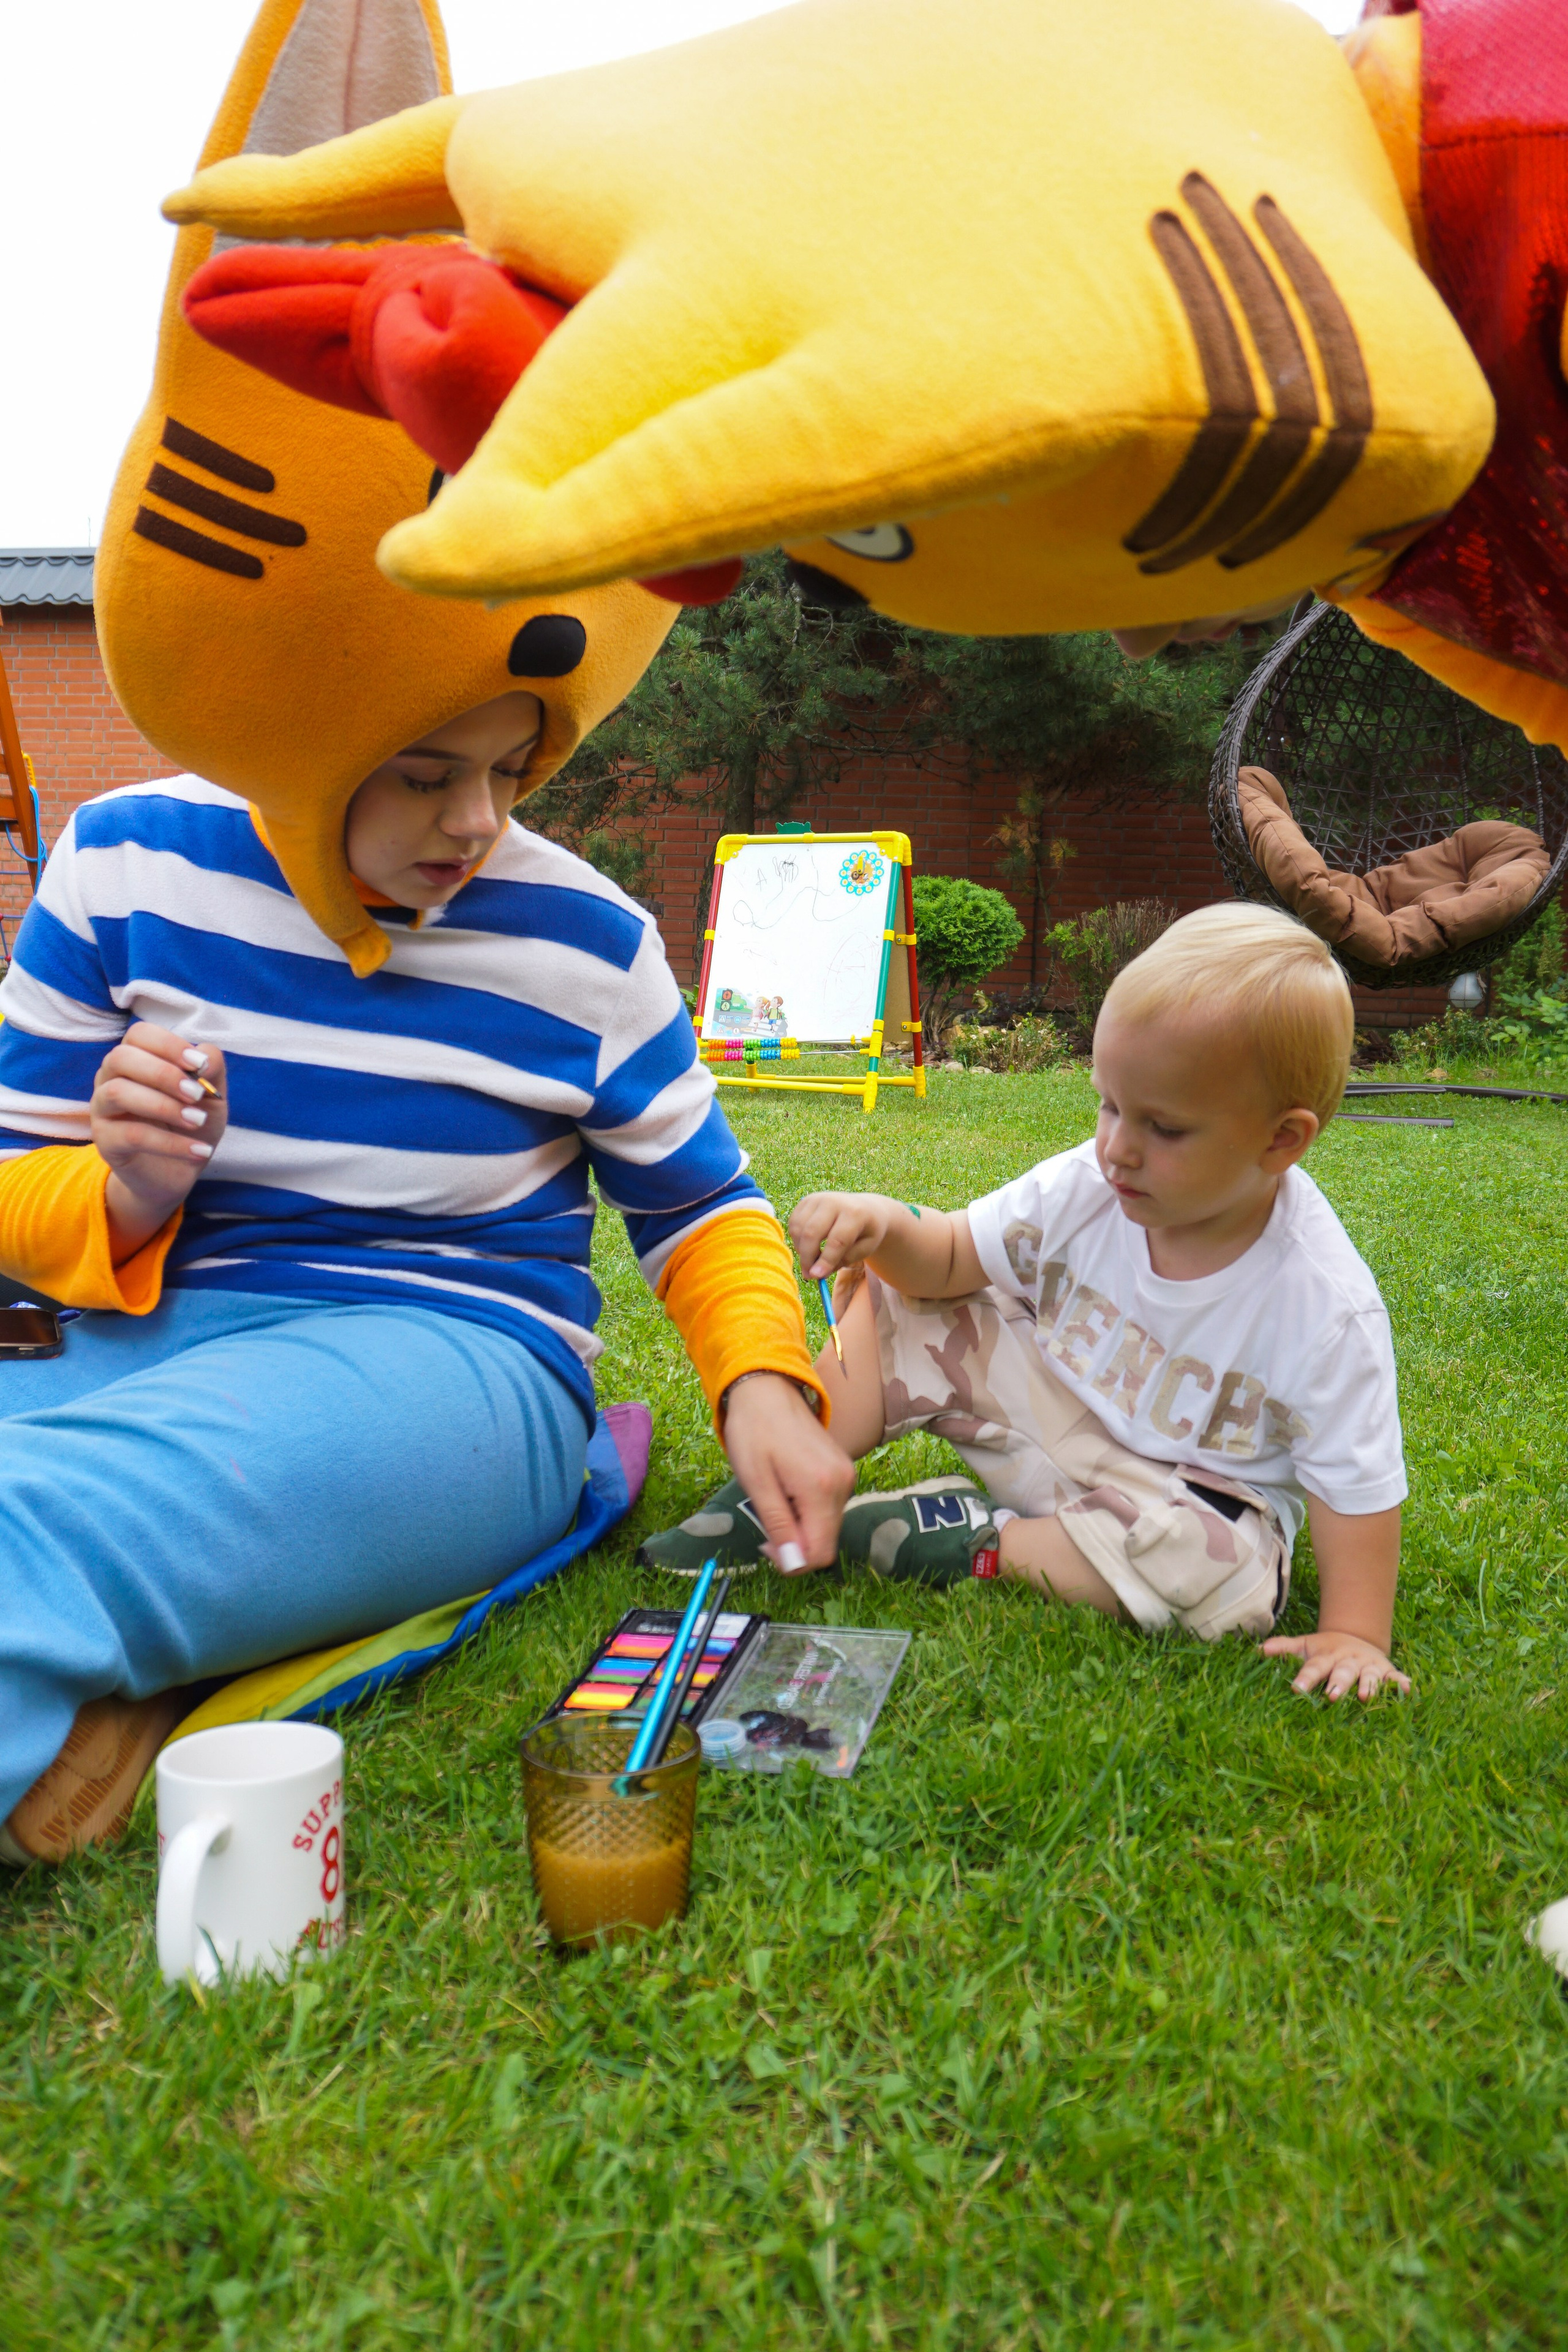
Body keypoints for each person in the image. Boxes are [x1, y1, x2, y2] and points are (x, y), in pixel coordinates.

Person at [0, 692, 852, 1863]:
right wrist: (128, 1190)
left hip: (442, 1354)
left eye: (510, 769)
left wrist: (760, 1379)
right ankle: (143, 1671)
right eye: (424, 773)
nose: (478, 820)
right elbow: (18, 1175)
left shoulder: (592, 941)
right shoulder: (122, 862)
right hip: (117, 1332)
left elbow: (699, 1204)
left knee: (30, 1516)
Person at [643, 903, 1409, 1703]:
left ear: (1281, 1140)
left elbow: (1356, 1489)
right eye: (1109, 1105)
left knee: (1229, 1578)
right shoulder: (1087, 1186)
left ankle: (970, 1538)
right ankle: (793, 1469)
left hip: (1173, 1503)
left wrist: (1356, 1632)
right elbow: (950, 1258)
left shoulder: (1324, 1308)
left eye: (1164, 1128)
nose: (1117, 1147)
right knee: (904, 1299)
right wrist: (887, 1225)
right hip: (1043, 1416)